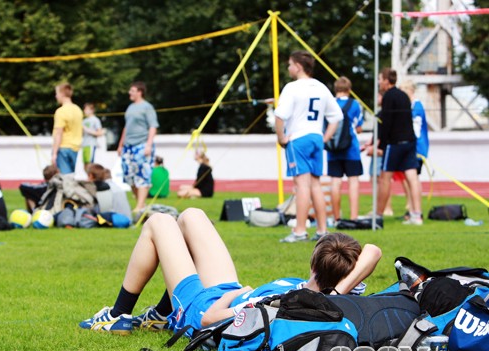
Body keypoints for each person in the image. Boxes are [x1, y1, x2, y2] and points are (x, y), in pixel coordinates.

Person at [79, 207, 382, 335]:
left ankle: (117, 316)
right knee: (192, 216)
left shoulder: (285, 302)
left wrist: (238, 296)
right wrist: (338, 292)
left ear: (313, 264)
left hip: (202, 308)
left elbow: (209, 320)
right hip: (228, 290)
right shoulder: (337, 290)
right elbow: (373, 252)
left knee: (159, 222)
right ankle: (159, 315)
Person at [275, 51, 343, 243]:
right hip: (316, 137)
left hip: (298, 138)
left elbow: (279, 116)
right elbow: (336, 117)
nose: (288, 68)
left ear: (298, 66)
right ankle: (322, 230)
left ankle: (299, 230)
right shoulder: (321, 87)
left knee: (301, 185)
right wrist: (324, 138)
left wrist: (281, 138)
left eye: (290, 64)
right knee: (315, 185)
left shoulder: (292, 88)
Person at [376, 68, 423, 225]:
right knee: (412, 177)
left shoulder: (388, 96)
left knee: (384, 178)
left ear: (386, 80)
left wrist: (381, 145)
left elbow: (387, 123)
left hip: (395, 143)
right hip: (410, 142)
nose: (379, 82)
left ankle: (378, 215)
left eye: (380, 79)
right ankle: (417, 215)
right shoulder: (403, 95)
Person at [117, 81, 159, 213]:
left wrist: (148, 145)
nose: (129, 93)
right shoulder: (130, 107)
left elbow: (153, 126)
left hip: (141, 145)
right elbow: (126, 127)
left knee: (142, 176)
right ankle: (140, 204)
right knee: (129, 177)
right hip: (128, 146)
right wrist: (120, 145)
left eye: (132, 91)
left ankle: (140, 206)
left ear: (140, 92)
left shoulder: (147, 107)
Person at [326, 77, 364, 222]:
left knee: (335, 182)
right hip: (351, 149)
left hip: (333, 149)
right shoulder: (354, 104)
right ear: (349, 89)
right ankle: (354, 217)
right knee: (353, 182)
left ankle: (337, 217)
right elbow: (358, 127)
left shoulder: (330, 104)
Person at [392, 80, 429, 220]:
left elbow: (415, 129)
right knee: (409, 179)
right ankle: (412, 209)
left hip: (417, 148)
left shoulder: (416, 107)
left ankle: (416, 211)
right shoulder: (410, 106)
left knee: (413, 179)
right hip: (413, 146)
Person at [52, 83, 83, 175]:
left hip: (63, 148)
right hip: (75, 149)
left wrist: (54, 153)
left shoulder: (61, 111)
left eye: (57, 93)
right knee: (71, 176)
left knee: (65, 178)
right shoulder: (78, 110)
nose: (56, 96)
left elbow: (59, 133)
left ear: (62, 94)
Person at [81, 103, 104, 169]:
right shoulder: (84, 120)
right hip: (84, 145)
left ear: (92, 110)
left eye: (86, 109)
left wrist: (87, 130)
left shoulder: (95, 120)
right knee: (85, 166)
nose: (85, 111)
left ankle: (92, 175)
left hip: (91, 144)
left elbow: (100, 133)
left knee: (90, 164)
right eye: (84, 109)